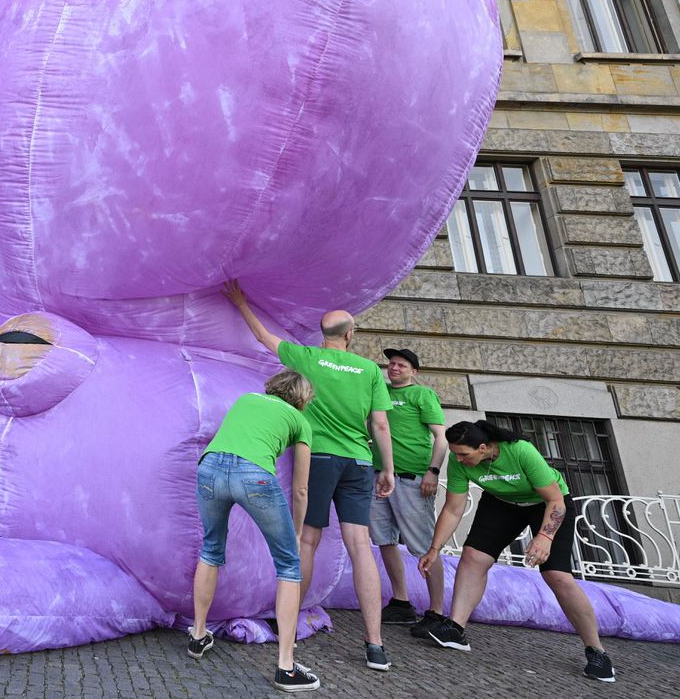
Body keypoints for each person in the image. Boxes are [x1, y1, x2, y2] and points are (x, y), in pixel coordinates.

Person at [222, 280, 396, 671]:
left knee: (309, 540)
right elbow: (380, 424)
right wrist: (387, 468)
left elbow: (264, 337)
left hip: (319, 458)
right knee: (360, 544)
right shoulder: (369, 369)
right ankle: (376, 645)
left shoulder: (308, 358)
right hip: (358, 461)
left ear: (325, 336)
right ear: (351, 335)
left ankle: (290, 629)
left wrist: (241, 302)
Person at [416, 419, 616, 683]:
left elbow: (555, 500)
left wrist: (544, 536)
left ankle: (596, 651)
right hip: (501, 503)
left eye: (464, 454)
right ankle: (455, 629)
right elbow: (453, 509)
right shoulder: (458, 462)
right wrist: (434, 549)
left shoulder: (520, 450)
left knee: (557, 575)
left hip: (546, 504)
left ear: (484, 447)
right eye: (455, 454)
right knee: (473, 556)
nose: (459, 459)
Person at [187, 369, 319, 692]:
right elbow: (301, 489)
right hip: (253, 475)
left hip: (210, 467)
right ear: (302, 398)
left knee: (211, 549)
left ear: (274, 387)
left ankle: (198, 635)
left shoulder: (247, 399)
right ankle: (286, 668)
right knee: (289, 565)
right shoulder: (301, 422)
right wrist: (298, 531)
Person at [370, 347, 448, 636]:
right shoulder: (380, 392)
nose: (394, 368)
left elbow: (441, 437)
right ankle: (401, 601)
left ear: (414, 371)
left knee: (425, 545)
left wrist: (434, 471)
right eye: (391, 364)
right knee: (384, 539)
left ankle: (437, 611)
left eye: (401, 365)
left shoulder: (422, 395)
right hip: (378, 478)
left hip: (413, 478)